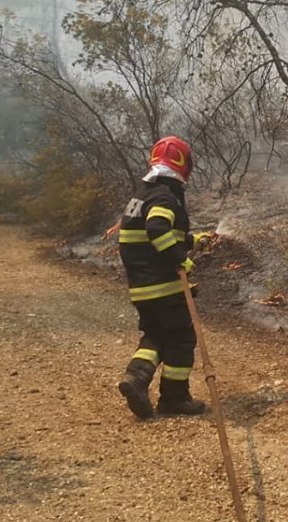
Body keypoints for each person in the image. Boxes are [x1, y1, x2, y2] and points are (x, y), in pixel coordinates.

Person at [116, 135, 209, 419]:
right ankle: (174, 398)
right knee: (181, 337)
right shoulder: (165, 197)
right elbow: (157, 229)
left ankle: (136, 379)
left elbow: (148, 232)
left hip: (142, 287)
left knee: (157, 333)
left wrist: (192, 240)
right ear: (183, 166)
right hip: (163, 285)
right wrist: (181, 258)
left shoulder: (143, 195)